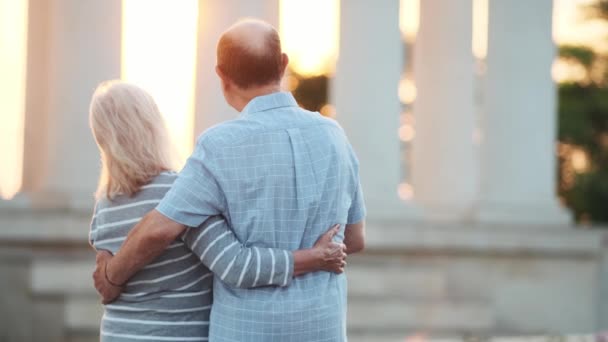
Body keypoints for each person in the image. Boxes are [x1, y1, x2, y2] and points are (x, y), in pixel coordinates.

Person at [94, 19, 366, 341]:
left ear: (221, 76)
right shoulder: (334, 136)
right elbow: (355, 239)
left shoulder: (218, 145)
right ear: (283, 64)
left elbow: (161, 229)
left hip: (247, 330)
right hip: (323, 328)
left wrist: (111, 276)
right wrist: (316, 254)